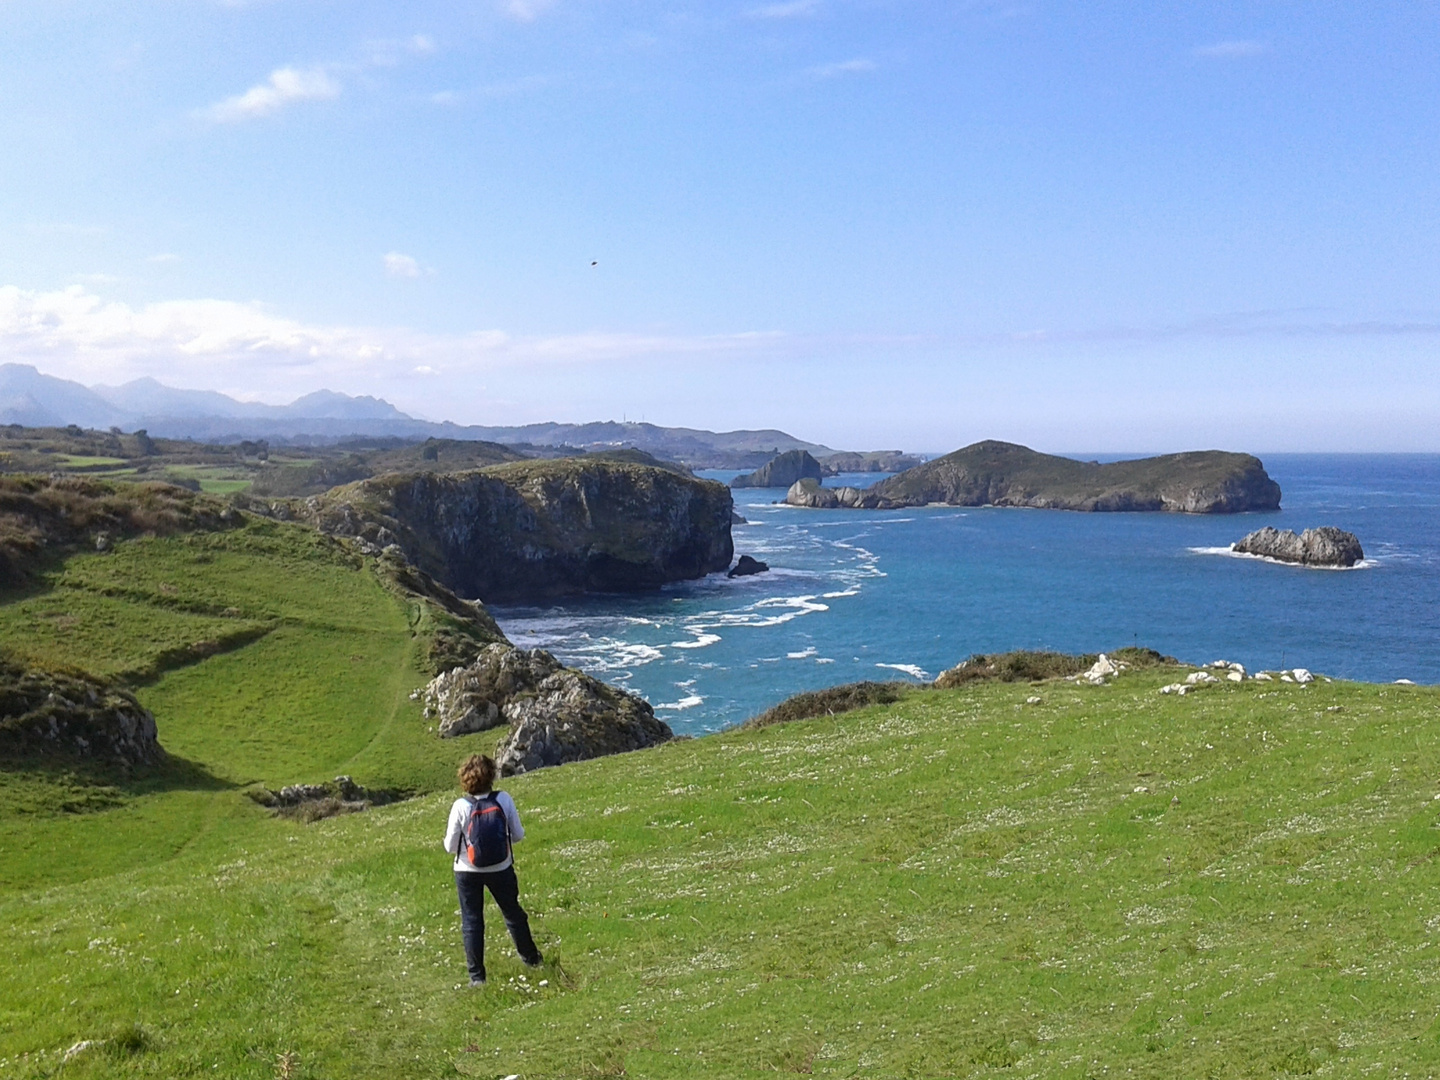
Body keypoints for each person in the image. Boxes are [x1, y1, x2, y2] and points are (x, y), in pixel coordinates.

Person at [442, 753, 543, 986]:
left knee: (472, 921)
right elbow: (518, 836)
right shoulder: (503, 799)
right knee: (513, 914)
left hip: (466, 871)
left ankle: (477, 977)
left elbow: (450, 847)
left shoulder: (460, 806)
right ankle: (532, 959)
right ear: (492, 776)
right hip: (501, 867)